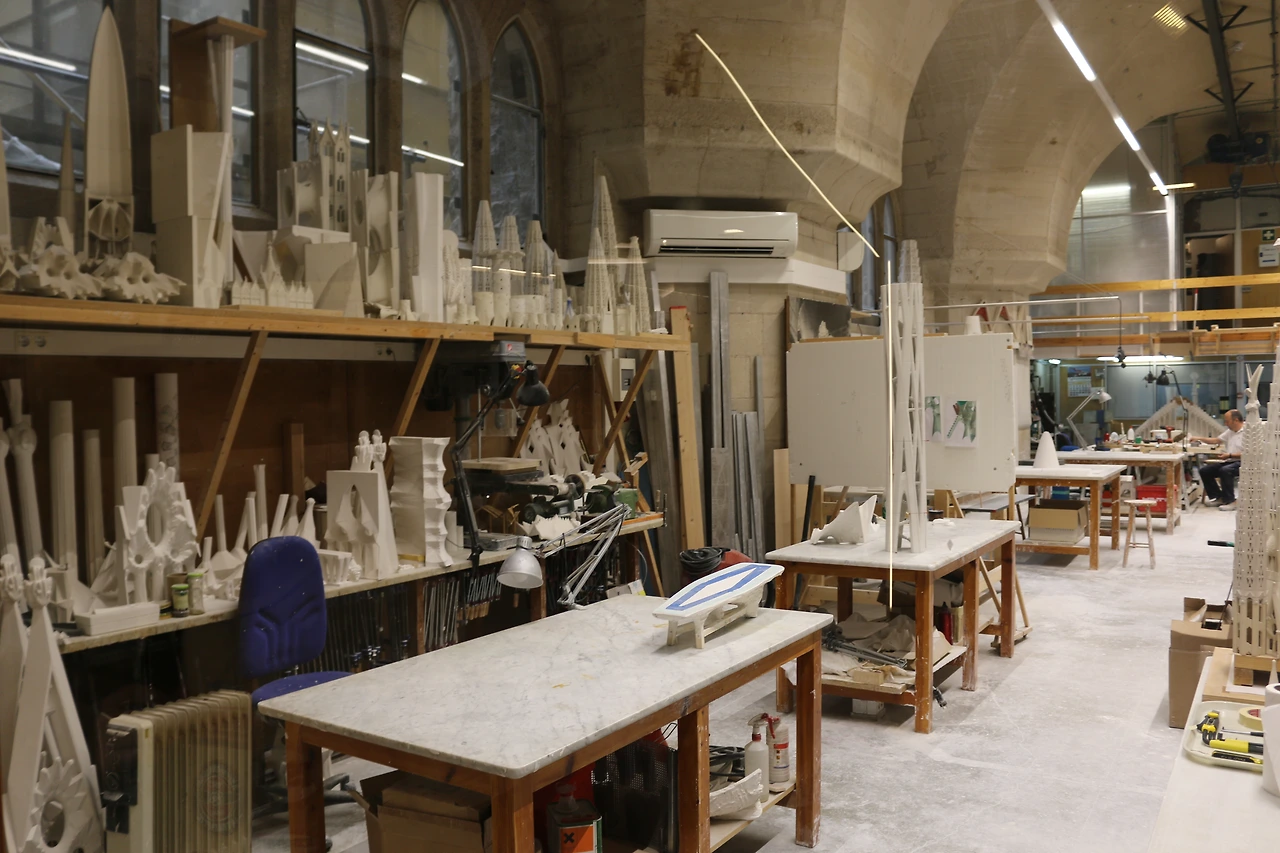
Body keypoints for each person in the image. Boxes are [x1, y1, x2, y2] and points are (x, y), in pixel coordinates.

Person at [1189, 409, 1245, 510]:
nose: (1225, 424)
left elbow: (1249, 453)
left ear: (1236, 420)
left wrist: (1230, 455)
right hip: (1230, 460)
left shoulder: (1248, 432)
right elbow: (1216, 440)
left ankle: (1231, 501)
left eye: (1227, 421)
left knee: (1225, 470)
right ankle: (1219, 497)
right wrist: (1199, 438)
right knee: (1205, 471)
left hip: (1244, 462)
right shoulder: (1230, 431)